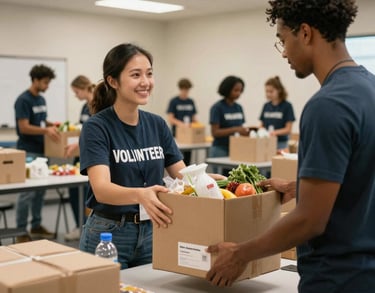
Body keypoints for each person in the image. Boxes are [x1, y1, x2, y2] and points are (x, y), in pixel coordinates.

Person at [206, 1, 375, 292]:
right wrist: (301, 186)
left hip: (337, 278)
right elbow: (361, 173)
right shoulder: (369, 89)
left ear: (306, 33)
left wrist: (239, 254)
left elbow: (309, 221)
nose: (283, 52)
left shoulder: (328, 105)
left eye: (283, 40)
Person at [78, 43, 186, 270]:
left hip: (154, 230)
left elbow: (182, 176)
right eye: (136, 75)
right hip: (108, 235)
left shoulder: (157, 124)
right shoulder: (97, 127)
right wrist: (140, 195)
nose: (145, 82)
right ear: (113, 81)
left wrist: (207, 180)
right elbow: (101, 189)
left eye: (149, 74)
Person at [14, 64, 60, 242]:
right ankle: (20, 232)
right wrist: (45, 131)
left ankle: (36, 226)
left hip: (43, 151)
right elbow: (24, 127)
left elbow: (40, 121)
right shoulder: (23, 100)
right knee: (26, 193)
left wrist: (50, 125)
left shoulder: (41, 100)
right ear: (35, 80)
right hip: (28, 151)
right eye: (45, 82)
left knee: (40, 191)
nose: (47, 86)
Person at [63, 75, 94, 241]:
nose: (76, 95)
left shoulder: (97, 105)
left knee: (88, 193)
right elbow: (82, 130)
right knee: (74, 190)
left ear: (83, 88)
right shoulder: (84, 107)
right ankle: (79, 224)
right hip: (80, 154)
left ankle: (87, 225)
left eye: (76, 92)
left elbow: (92, 133)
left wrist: (78, 144)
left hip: (91, 155)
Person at [208, 75, 249, 175]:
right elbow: (215, 132)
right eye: (235, 90)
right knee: (221, 180)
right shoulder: (217, 107)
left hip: (236, 150)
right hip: (220, 149)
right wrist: (236, 129)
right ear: (227, 89)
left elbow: (240, 128)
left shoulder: (239, 107)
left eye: (240, 90)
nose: (238, 93)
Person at [166, 78, 198, 165]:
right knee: (177, 159)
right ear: (180, 89)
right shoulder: (174, 101)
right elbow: (171, 118)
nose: (186, 91)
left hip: (189, 135)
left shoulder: (191, 101)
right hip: (177, 134)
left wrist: (196, 126)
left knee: (187, 160)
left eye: (187, 90)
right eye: (184, 89)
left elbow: (194, 118)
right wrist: (181, 124)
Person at [259, 76, 295, 150]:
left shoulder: (287, 106)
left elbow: (288, 129)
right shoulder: (266, 106)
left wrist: (274, 133)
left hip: (281, 143)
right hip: (266, 142)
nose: (268, 94)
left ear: (279, 90)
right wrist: (261, 132)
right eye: (267, 91)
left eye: (271, 91)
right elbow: (262, 125)